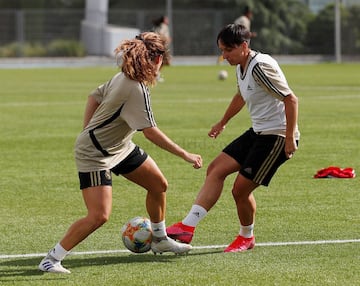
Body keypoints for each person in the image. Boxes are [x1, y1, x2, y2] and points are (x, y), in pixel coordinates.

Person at [38, 32, 203, 274]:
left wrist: (88, 128)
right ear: (157, 60)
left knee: (158, 185)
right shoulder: (136, 88)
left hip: (120, 147)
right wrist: (185, 154)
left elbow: (93, 97)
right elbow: (150, 132)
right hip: (95, 154)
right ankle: (52, 259)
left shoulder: (123, 77)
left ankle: (158, 238)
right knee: (99, 215)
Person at [167, 24, 300, 253]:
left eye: (228, 50)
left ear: (244, 46)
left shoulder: (260, 67)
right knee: (216, 168)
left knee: (240, 190)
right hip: (258, 132)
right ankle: (187, 226)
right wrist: (223, 122)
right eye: (222, 50)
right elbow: (241, 95)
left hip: (276, 136)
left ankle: (246, 237)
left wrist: (289, 138)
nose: (224, 56)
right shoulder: (242, 66)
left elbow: (291, 99)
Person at [152, 15, 171, 81]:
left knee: (159, 61)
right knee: (162, 61)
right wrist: (166, 39)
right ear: (163, 20)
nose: (167, 20)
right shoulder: (164, 26)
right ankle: (156, 74)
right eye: (166, 19)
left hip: (157, 45)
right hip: (162, 46)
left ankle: (156, 74)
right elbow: (161, 34)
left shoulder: (157, 26)